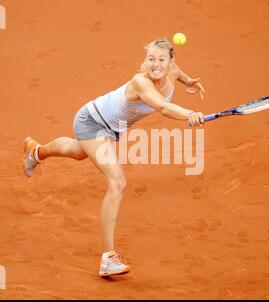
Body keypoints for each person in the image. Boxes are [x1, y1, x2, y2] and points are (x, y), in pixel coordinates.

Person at [22, 39, 205, 277]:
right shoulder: (141, 82)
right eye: (151, 59)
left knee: (78, 153)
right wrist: (190, 114)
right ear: (145, 60)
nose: (156, 64)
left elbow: (177, 72)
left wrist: (188, 80)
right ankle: (108, 258)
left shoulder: (172, 70)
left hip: (112, 129)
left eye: (161, 59)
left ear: (171, 61)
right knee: (117, 182)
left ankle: (35, 151)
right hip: (92, 122)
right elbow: (163, 108)